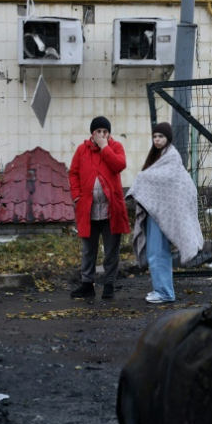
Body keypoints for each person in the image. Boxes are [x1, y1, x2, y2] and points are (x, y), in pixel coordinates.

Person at [126, 122, 203, 304]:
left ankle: (165, 293)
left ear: (167, 138)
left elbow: (164, 180)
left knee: (158, 252)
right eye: (155, 136)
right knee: (156, 251)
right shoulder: (159, 156)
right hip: (156, 210)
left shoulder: (171, 157)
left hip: (164, 213)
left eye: (160, 136)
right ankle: (161, 289)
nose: (157, 139)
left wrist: (141, 179)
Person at [68, 116, 130, 299]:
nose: (102, 135)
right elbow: (74, 174)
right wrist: (77, 196)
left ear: (109, 133)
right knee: (88, 249)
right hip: (88, 209)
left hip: (111, 209)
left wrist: (105, 147)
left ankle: (109, 284)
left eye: (105, 132)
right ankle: (87, 284)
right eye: (98, 132)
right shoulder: (82, 150)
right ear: (92, 134)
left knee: (111, 249)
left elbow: (119, 165)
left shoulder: (115, 147)